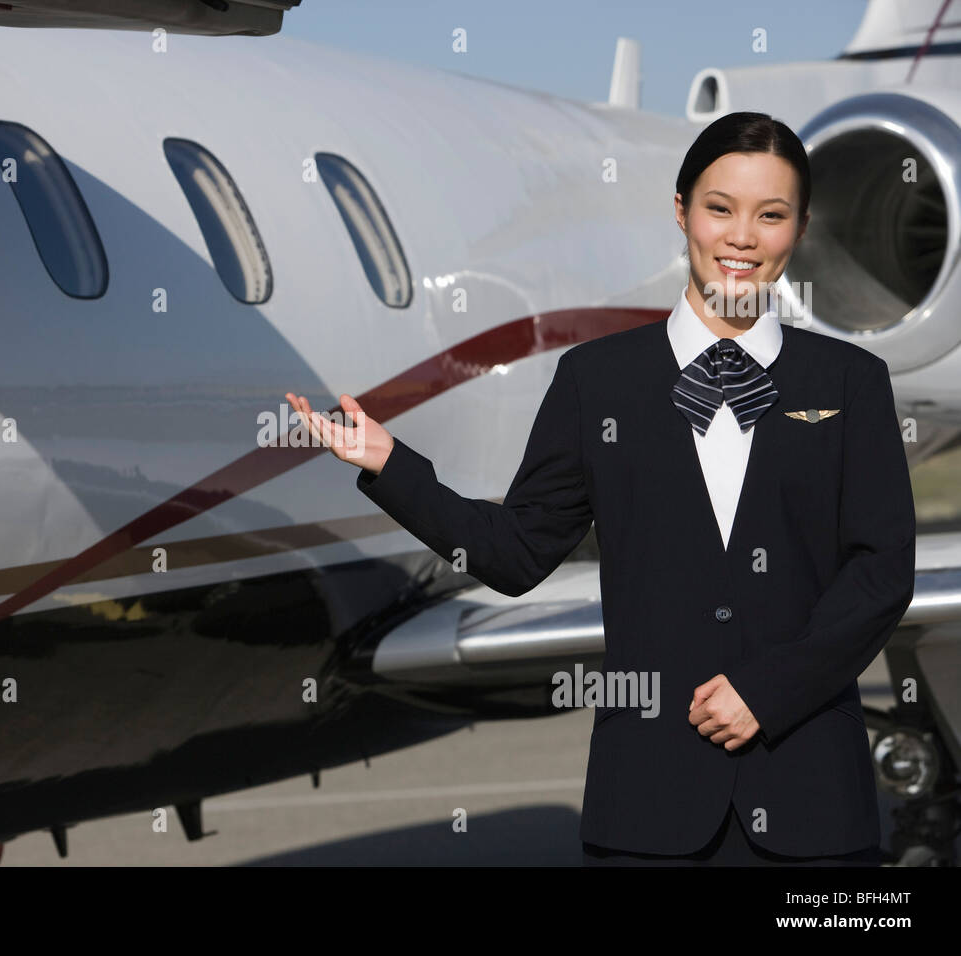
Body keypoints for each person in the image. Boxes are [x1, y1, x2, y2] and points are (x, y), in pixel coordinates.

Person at [285, 111, 915, 866]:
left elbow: (880, 575)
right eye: (720, 209)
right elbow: (514, 556)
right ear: (681, 212)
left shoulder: (850, 383)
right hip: (648, 811)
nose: (742, 238)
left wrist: (769, 691)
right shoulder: (597, 382)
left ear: (800, 228)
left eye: (771, 215)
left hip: (814, 805)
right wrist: (392, 465)